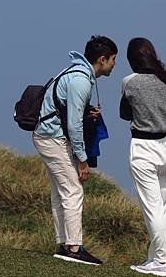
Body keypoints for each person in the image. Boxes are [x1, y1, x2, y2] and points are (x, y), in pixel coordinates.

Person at [33, 35, 118, 265]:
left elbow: (68, 110)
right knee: (73, 190)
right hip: (53, 138)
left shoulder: (74, 72)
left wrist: (86, 112)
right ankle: (73, 247)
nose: (114, 64)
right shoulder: (81, 80)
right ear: (102, 59)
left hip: (46, 135)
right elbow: (73, 124)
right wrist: (83, 160)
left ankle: (64, 244)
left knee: (60, 191)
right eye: (113, 60)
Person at [120, 37, 166, 277]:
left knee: (151, 206)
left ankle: (160, 262)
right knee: (163, 204)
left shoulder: (130, 82)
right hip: (164, 145)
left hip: (142, 145)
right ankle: (162, 257)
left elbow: (124, 113)